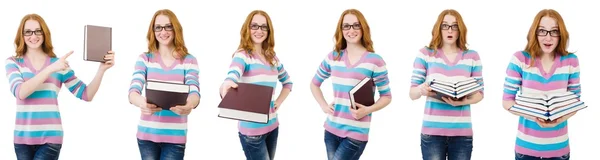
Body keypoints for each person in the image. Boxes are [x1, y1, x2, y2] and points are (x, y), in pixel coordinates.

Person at [6, 13, 115, 160]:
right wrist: (50, 68)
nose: (33, 36)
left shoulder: (59, 64)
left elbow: (86, 94)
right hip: (22, 139)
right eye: (28, 32)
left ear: (44, 34)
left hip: (50, 139)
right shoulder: (13, 62)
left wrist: (101, 70)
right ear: (22, 35)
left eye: (38, 31)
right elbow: (20, 92)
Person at [309, 9, 392, 160]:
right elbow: (314, 84)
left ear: (363, 28)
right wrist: (323, 105)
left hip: (356, 132)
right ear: (341, 30)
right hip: (331, 129)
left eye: (356, 25)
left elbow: (386, 96)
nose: (351, 30)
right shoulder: (333, 57)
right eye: (346, 26)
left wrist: (367, 110)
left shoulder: (375, 61)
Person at [502, 9, 579, 160]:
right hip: (526, 149)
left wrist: (559, 119)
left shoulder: (571, 60)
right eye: (542, 31)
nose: (548, 37)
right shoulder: (520, 59)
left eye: (554, 31)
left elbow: (575, 101)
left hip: (559, 149)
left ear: (561, 34)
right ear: (534, 33)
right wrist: (533, 116)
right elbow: (507, 101)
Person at [408, 9, 484, 160]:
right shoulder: (425, 54)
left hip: (462, 134)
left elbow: (480, 94)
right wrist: (422, 90)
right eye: (445, 26)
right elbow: (412, 93)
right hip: (432, 134)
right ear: (439, 29)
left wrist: (464, 101)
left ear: (460, 30)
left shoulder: (472, 56)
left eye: (454, 26)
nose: (450, 30)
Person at [219, 10, 293, 160]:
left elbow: (288, 83)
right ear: (247, 29)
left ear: (268, 31)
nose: (259, 30)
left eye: (263, 27)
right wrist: (227, 83)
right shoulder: (242, 56)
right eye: (254, 26)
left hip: (273, 126)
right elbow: (232, 74)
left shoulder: (272, 57)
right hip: (252, 133)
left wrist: (278, 102)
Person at [127, 9, 200, 160]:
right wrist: (143, 103)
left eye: (168, 26)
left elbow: (195, 92)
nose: (163, 32)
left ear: (175, 29)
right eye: (158, 27)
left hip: (175, 138)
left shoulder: (189, 60)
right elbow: (133, 92)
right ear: (153, 31)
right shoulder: (145, 59)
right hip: (147, 136)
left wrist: (189, 106)